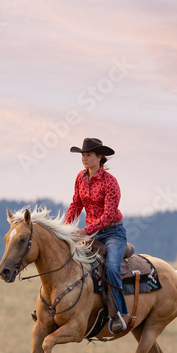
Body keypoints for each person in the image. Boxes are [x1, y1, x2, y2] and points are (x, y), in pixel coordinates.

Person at [64, 137, 128, 333]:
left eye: (88, 155)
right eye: (83, 155)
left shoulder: (110, 182)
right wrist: (65, 229)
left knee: (111, 268)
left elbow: (109, 214)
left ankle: (118, 314)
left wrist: (85, 230)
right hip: (91, 233)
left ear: (99, 157)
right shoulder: (80, 178)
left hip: (112, 233)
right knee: (67, 261)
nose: (84, 158)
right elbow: (76, 204)